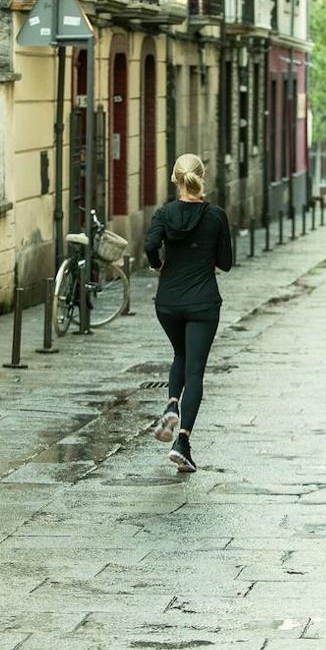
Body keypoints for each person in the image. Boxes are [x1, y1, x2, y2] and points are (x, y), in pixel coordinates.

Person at [143, 154, 233, 473]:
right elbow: (226, 262)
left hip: (168, 303)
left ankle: (171, 404)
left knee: (180, 353)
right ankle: (182, 442)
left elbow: (150, 245)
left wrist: (157, 265)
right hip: (203, 303)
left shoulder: (164, 214)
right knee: (194, 370)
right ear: (201, 177)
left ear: (175, 179)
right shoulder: (216, 216)